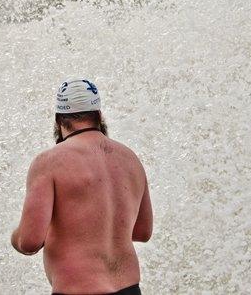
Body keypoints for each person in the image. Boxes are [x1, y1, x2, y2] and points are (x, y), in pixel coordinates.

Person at [11, 78, 153, 295]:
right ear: (99, 115)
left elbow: (29, 241)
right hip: (129, 289)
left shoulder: (50, 162)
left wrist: (15, 237)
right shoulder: (129, 158)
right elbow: (143, 231)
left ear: (59, 119)